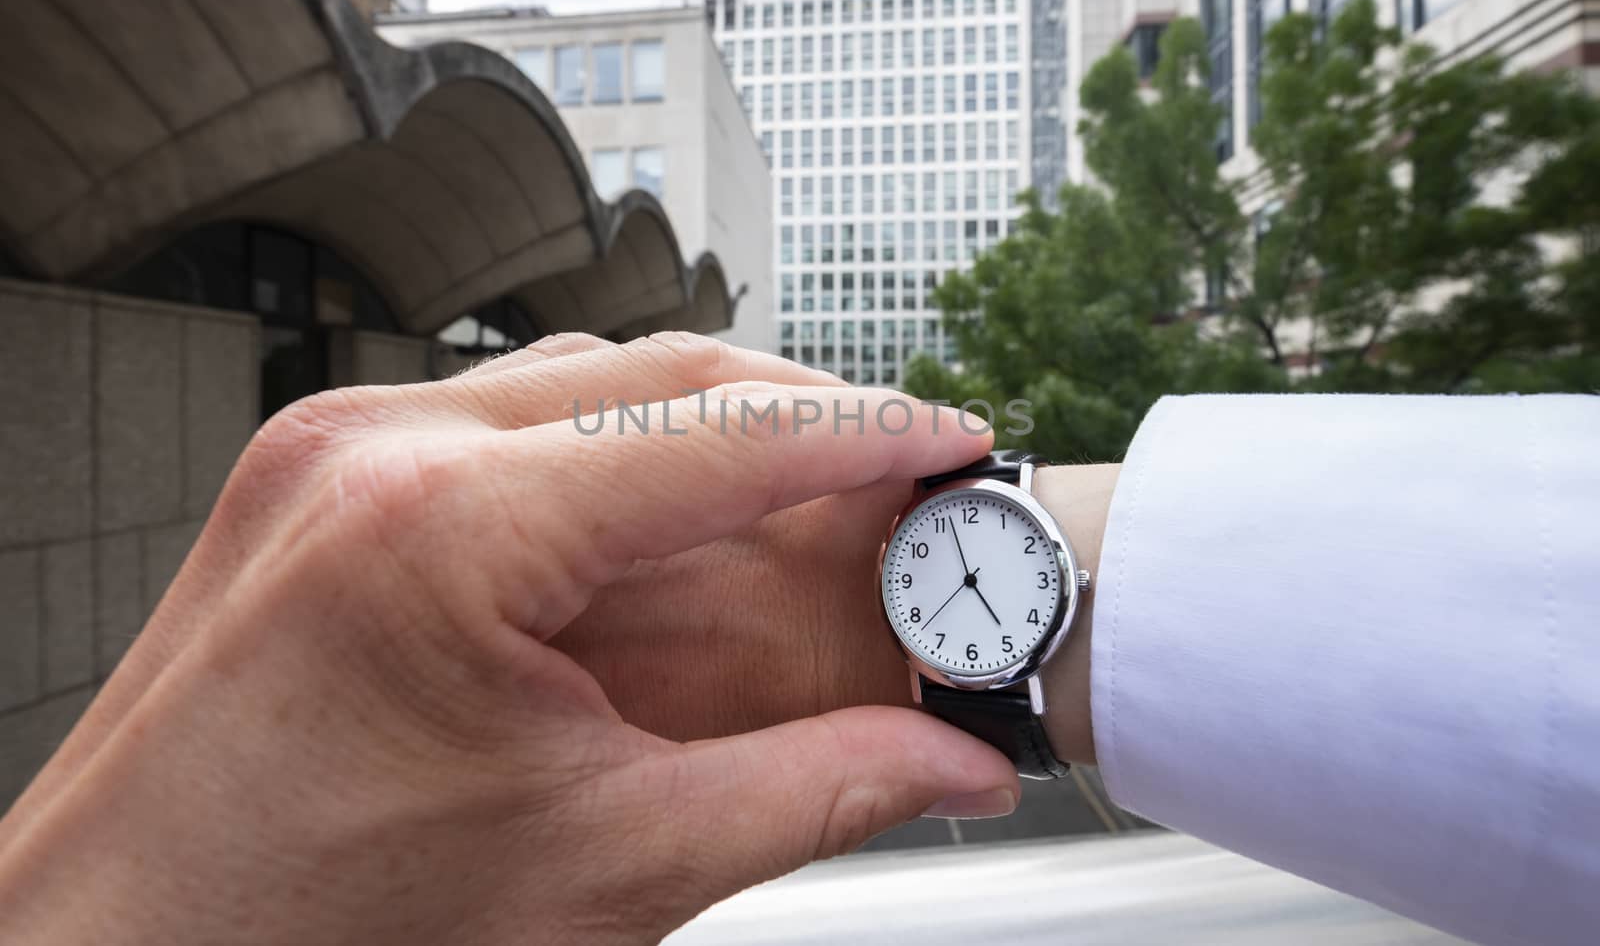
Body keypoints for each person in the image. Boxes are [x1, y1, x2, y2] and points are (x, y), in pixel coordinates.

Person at [0, 331, 1591, 944]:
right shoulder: (973, 578)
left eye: (963, 589)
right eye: (955, 594)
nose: (964, 600)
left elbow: (980, 579)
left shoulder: (969, 571)